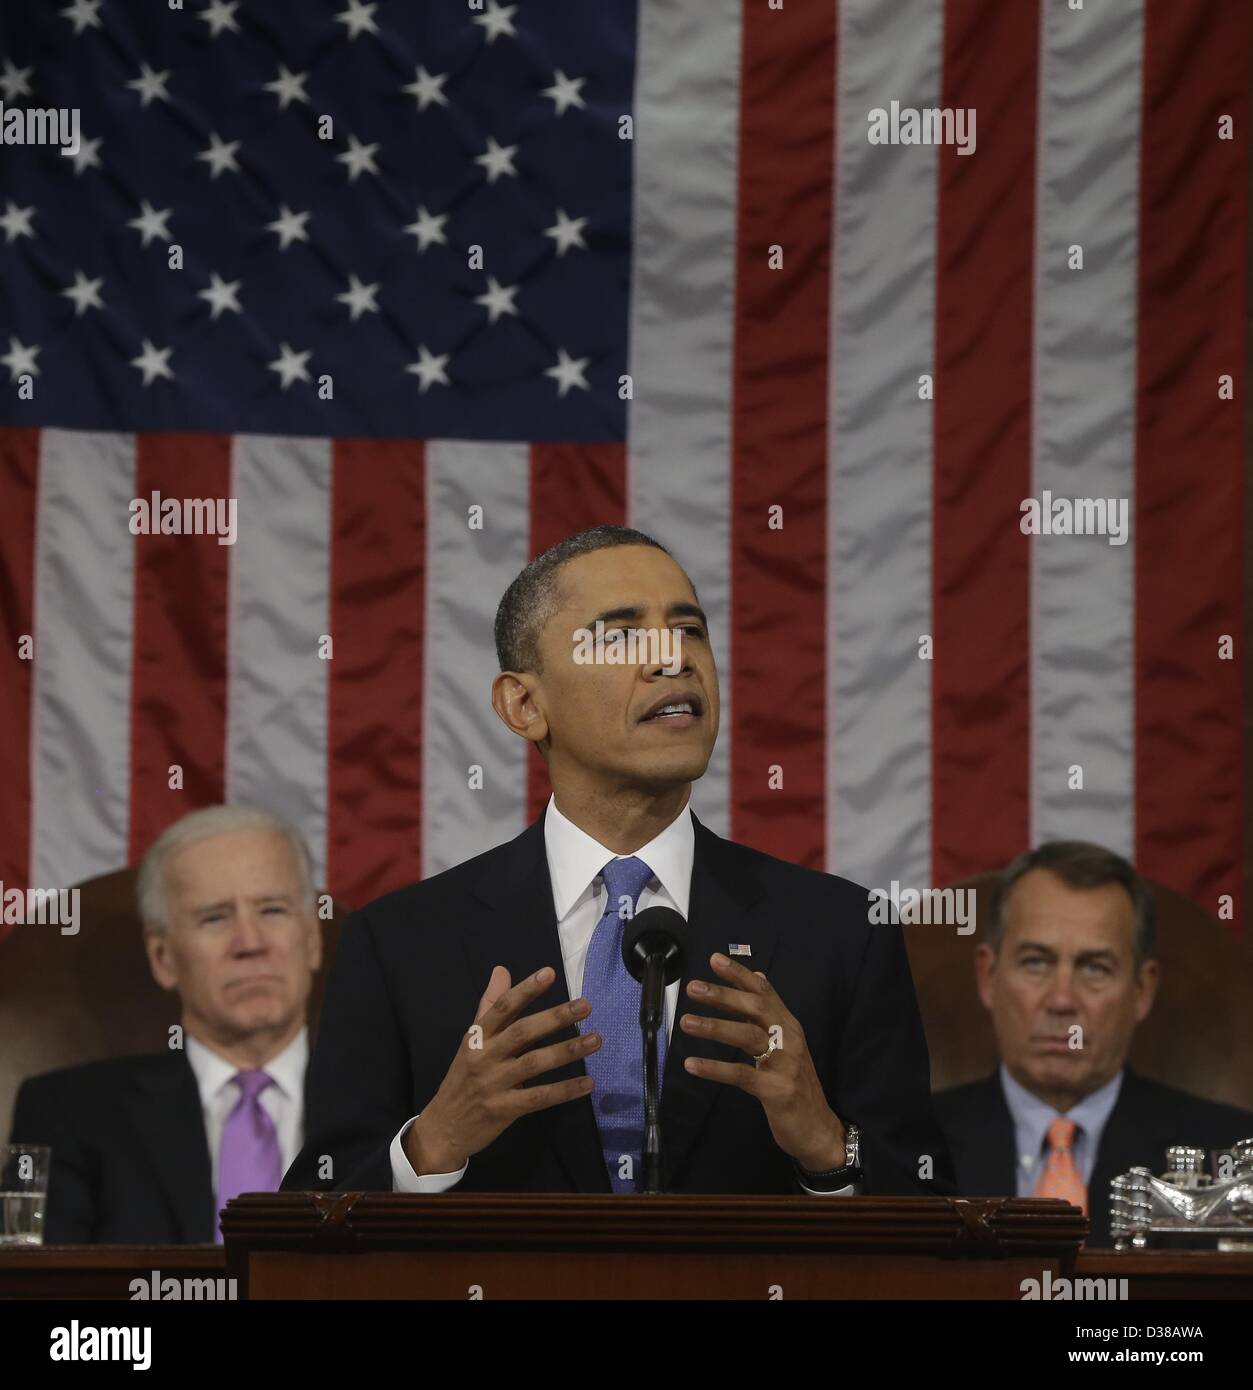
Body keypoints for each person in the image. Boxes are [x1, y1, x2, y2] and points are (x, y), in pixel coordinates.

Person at [284, 525, 953, 1197]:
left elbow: (933, 1220)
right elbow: (306, 1226)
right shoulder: (399, 944)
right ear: (524, 704)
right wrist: (432, 1144)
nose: (675, 660)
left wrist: (824, 1145)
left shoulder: (839, 933)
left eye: (690, 630)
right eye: (622, 635)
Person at [8, 805, 321, 1243]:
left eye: (272, 910)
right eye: (215, 917)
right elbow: (43, 1293)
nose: (250, 943)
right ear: (163, 958)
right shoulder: (68, 1115)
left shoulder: (398, 1104)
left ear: (311, 938)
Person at [932, 841, 1253, 1246]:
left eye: (1095, 967)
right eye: (1036, 961)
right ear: (988, 976)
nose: (1062, 1000)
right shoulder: (910, 1148)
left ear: (1142, 989)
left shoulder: (1231, 1158)